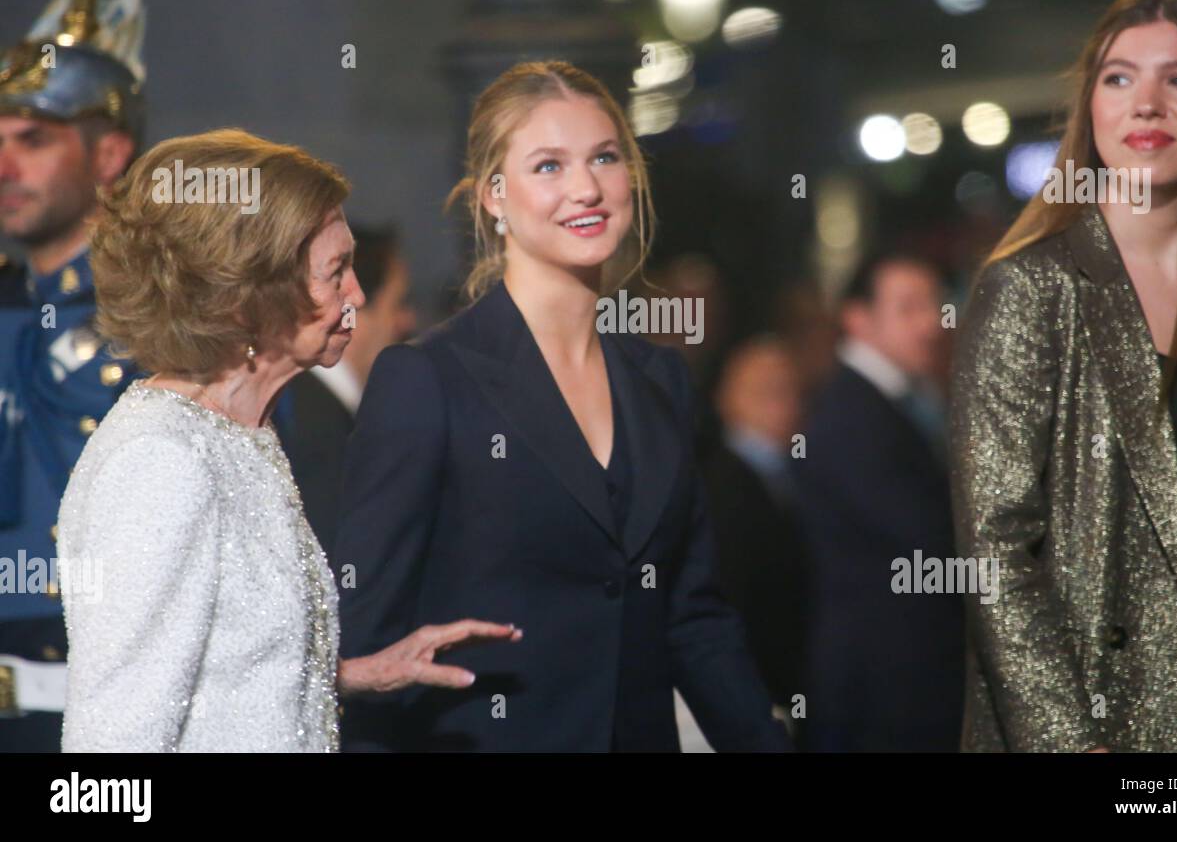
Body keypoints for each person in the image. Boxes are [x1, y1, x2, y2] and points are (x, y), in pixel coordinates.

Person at [333, 60, 790, 752]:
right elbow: (366, 639)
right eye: (548, 165)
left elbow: (692, 617)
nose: (586, 188)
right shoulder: (427, 380)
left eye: (604, 157)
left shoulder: (660, 380)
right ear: (493, 196)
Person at [57, 128, 520, 752]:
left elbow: (224, 680)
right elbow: (111, 744)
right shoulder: (160, 461)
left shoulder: (242, 434)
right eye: (336, 273)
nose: (358, 297)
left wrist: (350, 675)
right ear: (246, 300)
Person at [951, 0, 1177, 752]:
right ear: (1091, 108)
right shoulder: (1030, 287)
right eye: (1118, 79)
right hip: (1109, 729)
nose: (1146, 104)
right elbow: (996, 552)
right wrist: (1068, 741)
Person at [0, 0, 162, 750]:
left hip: (107, 713)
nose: (3, 164)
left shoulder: (171, 319)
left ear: (109, 153)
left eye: (33, 139)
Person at [791, 252, 964, 752]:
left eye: (934, 304)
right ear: (857, 317)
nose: (931, 323)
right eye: (909, 308)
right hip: (880, 690)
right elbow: (931, 535)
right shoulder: (851, 415)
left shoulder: (903, 401)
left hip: (903, 681)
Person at [280, 225, 416, 555]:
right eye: (396, 304)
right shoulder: (321, 428)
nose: (406, 322)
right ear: (355, 313)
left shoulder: (306, 407)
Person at [702, 336, 810, 729]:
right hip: (757, 688)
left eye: (789, 389)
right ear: (725, 398)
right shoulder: (722, 487)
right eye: (765, 391)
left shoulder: (792, 474)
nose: (782, 404)